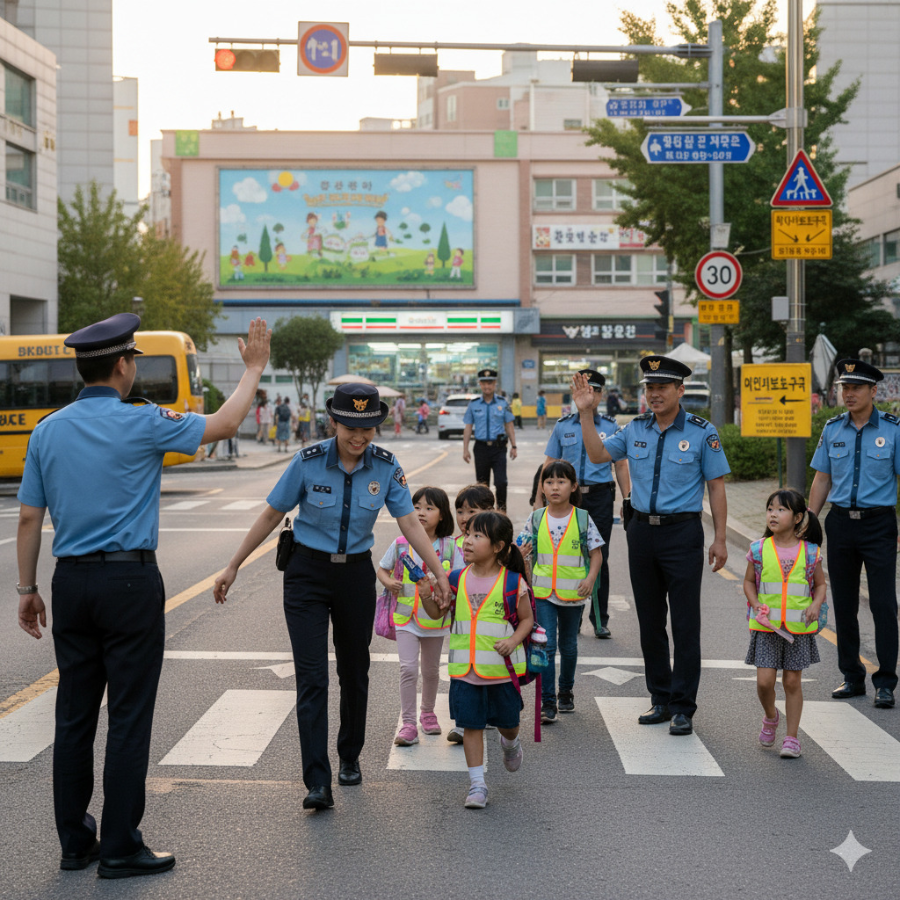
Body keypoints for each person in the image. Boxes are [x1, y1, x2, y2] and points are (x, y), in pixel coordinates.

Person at [16, 313, 270, 878]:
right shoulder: (145, 421)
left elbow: (30, 518)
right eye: (132, 360)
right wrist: (253, 368)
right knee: (128, 717)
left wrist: (27, 590)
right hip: (129, 583)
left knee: (73, 716)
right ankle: (120, 846)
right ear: (122, 366)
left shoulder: (47, 429)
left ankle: (75, 843)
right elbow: (226, 423)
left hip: (70, 582)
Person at [213, 384, 451, 812]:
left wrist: (438, 572)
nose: (359, 437)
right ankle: (317, 781)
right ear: (334, 422)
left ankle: (349, 755)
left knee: (354, 670)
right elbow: (272, 513)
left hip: (355, 575)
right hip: (306, 573)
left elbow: (410, 523)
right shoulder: (307, 461)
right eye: (350, 428)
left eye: (367, 429)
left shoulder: (386, 466)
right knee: (312, 677)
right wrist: (233, 565)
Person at [572, 357, 730, 735]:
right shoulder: (634, 429)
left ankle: (683, 706)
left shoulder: (702, 432)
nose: (654, 394)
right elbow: (597, 455)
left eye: (662, 387)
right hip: (642, 532)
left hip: (682, 534)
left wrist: (721, 538)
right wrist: (586, 414)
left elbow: (716, 487)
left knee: (685, 623)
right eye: (649, 388)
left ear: (680, 390)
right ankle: (660, 697)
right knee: (650, 621)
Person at [418, 512, 532, 809]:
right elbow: (437, 614)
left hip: (501, 673)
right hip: (464, 672)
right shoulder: (455, 579)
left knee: (509, 724)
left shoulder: (513, 582)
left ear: (498, 546)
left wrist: (513, 641)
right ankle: (477, 785)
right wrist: (427, 595)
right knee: (471, 725)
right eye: (467, 534)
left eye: (477, 536)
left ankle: (510, 743)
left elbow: (527, 620)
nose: (467, 541)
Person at [808, 358, 900, 709]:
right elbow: (822, 478)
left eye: (856, 388)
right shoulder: (833, 429)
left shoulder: (893, 429)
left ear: (873, 391)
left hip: (879, 525)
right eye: (845, 387)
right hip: (841, 524)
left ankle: (886, 681)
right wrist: (809, 521)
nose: (849, 393)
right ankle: (852, 676)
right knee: (844, 604)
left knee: (883, 604)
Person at [537, 369, 630, 639]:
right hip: (568, 497)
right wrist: (539, 499)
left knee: (599, 555)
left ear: (601, 394)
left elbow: (621, 465)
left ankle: (599, 619)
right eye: (586, 389)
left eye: (596, 390)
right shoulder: (562, 426)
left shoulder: (611, 426)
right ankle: (572, 616)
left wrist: (627, 499)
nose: (591, 395)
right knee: (570, 555)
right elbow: (549, 465)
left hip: (600, 496)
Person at [743, 490, 826, 758]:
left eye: (781, 510)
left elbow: (820, 585)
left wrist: (815, 605)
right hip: (767, 628)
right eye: (770, 509)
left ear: (798, 517)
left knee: (792, 682)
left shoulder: (810, 552)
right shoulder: (758, 549)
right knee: (764, 683)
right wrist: (755, 603)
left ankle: (791, 739)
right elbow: (749, 582)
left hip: (797, 630)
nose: (773, 515)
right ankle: (771, 716)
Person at [521, 461, 603, 723]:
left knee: (568, 646)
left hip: (573, 593)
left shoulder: (582, 518)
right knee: (546, 646)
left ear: (574, 486)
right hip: (542, 593)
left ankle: (565, 691)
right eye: (549, 482)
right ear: (542, 487)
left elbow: (596, 553)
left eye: (561, 481)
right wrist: (519, 554)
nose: (554, 487)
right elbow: (521, 549)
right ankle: (548, 702)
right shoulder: (536, 518)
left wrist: (590, 579)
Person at [377, 487, 456, 746]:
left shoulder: (449, 546)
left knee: (431, 671)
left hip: (435, 620)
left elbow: (460, 578)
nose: (421, 513)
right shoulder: (401, 543)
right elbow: (382, 569)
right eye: (417, 507)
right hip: (405, 618)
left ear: (442, 515)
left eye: (429, 508)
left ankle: (428, 714)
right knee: (408, 669)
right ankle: (409, 723)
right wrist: (389, 582)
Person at [446, 483, 496, 744]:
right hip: (461, 623)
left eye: (471, 511)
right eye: (460, 511)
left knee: (488, 667)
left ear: (489, 512)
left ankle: (491, 713)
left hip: (491, 624)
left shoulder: (498, 546)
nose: (464, 518)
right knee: (461, 669)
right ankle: (463, 722)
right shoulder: (451, 545)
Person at [462, 369, 517, 511]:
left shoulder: (503, 403)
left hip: (498, 448)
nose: (487, 386)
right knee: (482, 485)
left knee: (501, 482)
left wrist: (514, 446)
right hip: (480, 448)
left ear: (495, 384)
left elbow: (509, 425)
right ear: (480, 384)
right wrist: (465, 449)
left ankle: (502, 512)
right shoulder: (474, 404)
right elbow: (468, 427)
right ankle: (484, 514)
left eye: (490, 383)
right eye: (484, 383)